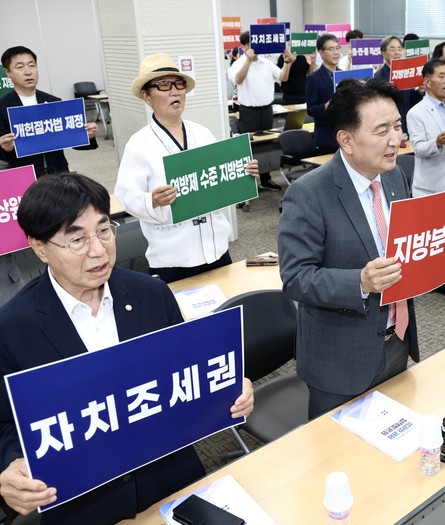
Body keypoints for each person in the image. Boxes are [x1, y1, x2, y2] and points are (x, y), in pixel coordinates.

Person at [0, 173, 253, 524]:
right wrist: (10, 465)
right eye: (77, 239)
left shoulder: (151, 293)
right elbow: (4, 423)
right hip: (84, 502)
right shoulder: (12, 327)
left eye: (104, 230)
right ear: (40, 247)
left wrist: (230, 387)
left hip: (170, 479)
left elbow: (186, 372)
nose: (98, 250)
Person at [278, 78, 445, 419]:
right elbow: (296, 278)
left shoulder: (394, 176)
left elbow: (408, 249)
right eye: (381, 130)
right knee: (337, 449)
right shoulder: (309, 193)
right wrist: (360, 282)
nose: (396, 140)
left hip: (396, 339)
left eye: (397, 127)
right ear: (346, 140)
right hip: (340, 358)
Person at [115, 53, 259, 283]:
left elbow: (218, 179)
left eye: (179, 84)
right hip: (173, 256)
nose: (174, 92)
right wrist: (152, 200)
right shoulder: (139, 144)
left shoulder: (202, 133)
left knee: (227, 301)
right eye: (164, 85)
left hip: (216, 247)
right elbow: (126, 196)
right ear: (147, 96)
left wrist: (243, 172)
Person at [0, 46, 98, 177]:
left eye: (32, 65)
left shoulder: (54, 102)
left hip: (58, 174)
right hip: (25, 177)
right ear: (7, 72)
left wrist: (88, 135)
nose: (28, 72)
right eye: (20, 67)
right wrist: (5, 148)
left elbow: (73, 141)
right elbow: (3, 154)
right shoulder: (2, 107)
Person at [229, 31, 292, 191]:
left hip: (267, 110)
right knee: (248, 148)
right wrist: (248, 60)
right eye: (249, 45)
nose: (253, 48)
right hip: (248, 111)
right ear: (243, 47)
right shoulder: (238, 64)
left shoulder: (266, 63)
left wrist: (287, 62)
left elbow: (283, 77)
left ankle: (266, 179)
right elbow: (238, 80)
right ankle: (246, 185)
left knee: (267, 145)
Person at [407, 59, 445, 197]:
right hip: (432, 186)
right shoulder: (416, 113)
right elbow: (418, 149)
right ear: (427, 82)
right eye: (441, 76)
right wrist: (437, 143)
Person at [306, 33, 341, 155]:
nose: (336, 53)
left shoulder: (343, 75)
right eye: (331, 49)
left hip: (345, 136)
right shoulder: (314, 78)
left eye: (337, 48)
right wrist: (326, 106)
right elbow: (311, 109)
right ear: (321, 53)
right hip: (326, 138)